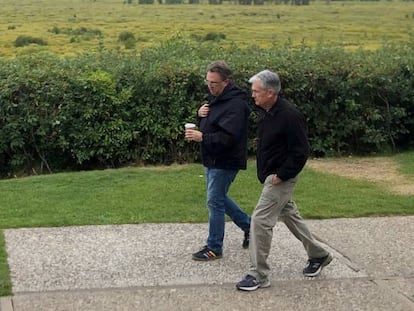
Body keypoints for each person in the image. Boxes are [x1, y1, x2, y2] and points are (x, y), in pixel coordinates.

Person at [236, 69, 332, 291]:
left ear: (270, 93)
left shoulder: (289, 115)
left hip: (280, 178)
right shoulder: (265, 111)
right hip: (271, 175)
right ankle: (319, 255)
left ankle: (258, 274)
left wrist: (281, 175)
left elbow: (301, 151)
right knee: (290, 215)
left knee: (260, 221)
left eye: (256, 92)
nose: (253, 96)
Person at [185, 60, 251, 261]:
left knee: (214, 201)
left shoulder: (236, 105)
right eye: (207, 82)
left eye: (214, 83)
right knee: (219, 198)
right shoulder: (215, 99)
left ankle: (214, 247)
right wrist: (200, 115)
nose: (209, 86)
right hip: (212, 158)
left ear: (226, 81)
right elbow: (210, 124)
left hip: (226, 160)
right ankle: (251, 227)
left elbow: (228, 138)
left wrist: (202, 137)